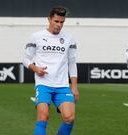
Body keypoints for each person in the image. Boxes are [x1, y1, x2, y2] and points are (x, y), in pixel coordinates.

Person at [23, 6, 79, 135]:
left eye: (62, 22)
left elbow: (72, 63)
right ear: (49, 19)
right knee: (43, 116)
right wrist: (35, 68)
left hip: (62, 85)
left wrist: (74, 86)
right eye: (56, 21)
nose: (59, 25)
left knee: (69, 118)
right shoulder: (36, 36)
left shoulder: (69, 38)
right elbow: (25, 59)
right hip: (43, 85)